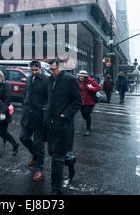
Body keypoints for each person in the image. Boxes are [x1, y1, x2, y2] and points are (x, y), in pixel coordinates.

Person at [45, 59, 82, 195]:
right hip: (51, 123)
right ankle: (70, 160)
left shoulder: (70, 80)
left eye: (54, 69)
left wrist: (65, 115)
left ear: (61, 68)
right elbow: (49, 99)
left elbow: (78, 101)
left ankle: (56, 190)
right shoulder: (50, 80)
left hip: (64, 124)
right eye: (50, 70)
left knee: (57, 160)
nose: (52, 72)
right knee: (54, 154)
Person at [20, 60, 49, 182]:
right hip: (27, 115)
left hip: (39, 117)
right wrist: (24, 106)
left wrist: (44, 111)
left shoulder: (47, 80)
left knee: (39, 144)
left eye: (36, 70)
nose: (34, 72)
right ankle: (35, 155)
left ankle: (39, 168)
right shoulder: (29, 78)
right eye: (32, 70)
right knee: (23, 137)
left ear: (40, 68)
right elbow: (26, 94)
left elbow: (49, 99)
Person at [78, 70, 101, 136]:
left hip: (90, 101)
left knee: (87, 113)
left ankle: (88, 129)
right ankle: (89, 122)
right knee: (83, 114)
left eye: (82, 76)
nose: (81, 77)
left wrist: (91, 88)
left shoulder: (91, 81)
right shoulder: (77, 81)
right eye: (80, 76)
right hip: (82, 101)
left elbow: (99, 87)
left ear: (85, 76)